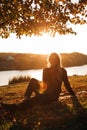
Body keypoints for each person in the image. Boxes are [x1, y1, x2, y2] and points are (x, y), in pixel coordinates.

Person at [1, 52, 83, 111]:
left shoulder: (62, 71)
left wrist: (73, 95)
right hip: (46, 92)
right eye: (50, 59)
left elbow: (66, 84)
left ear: (58, 60)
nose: (51, 60)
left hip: (53, 96)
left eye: (53, 59)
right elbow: (45, 84)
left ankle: (15, 107)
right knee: (33, 81)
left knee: (35, 100)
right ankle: (25, 99)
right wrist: (40, 91)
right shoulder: (45, 70)